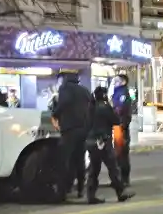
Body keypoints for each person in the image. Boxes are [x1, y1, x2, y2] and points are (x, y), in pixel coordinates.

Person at [85, 86, 134, 204]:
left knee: (94, 170)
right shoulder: (105, 107)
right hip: (103, 142)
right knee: (113, 168)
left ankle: (91, 196)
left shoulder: (90, 108)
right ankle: (120, 192)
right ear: (104, 95)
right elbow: (116, 120)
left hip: (91, 142)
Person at [51, 72, 92, 201]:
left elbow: (63, 103)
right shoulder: (84, 90)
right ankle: (80, 189)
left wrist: (55, 114)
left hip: (69, 129)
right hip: (83, 129)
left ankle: (62, 192)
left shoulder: (65, 88)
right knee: (79, 160)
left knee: (64, 160)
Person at [111, 74, 133, 187]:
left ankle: (124, 179)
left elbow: (120, 110)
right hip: (117, 127)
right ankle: (118, 179)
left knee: (122, 154)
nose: (114, 82)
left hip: (121, 127)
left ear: (123, 82)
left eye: (117, 80)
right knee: (117, 154)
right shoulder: (117, 93)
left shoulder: (123, 94)